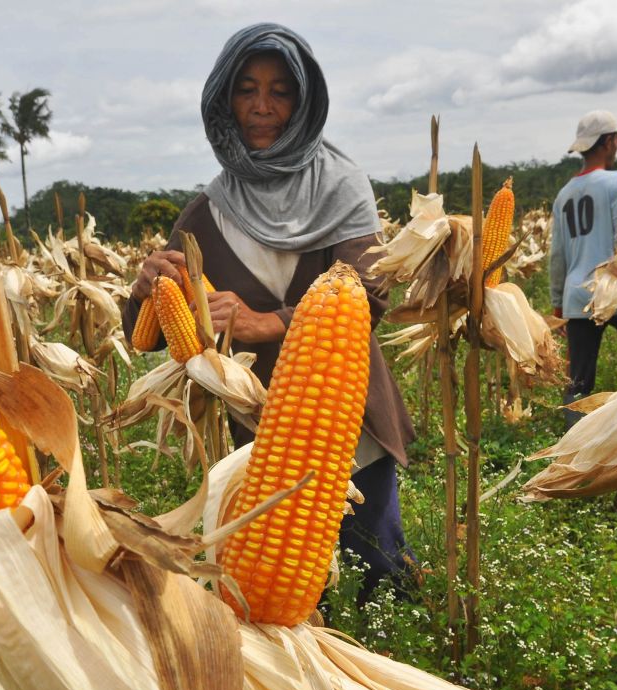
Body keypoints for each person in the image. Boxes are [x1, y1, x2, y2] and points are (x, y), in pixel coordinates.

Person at [121, 22, 416, 599]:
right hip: (259, 429)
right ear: (223, 101)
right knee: (285, 586)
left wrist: (270, 322)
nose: (262, 107)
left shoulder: (342, 185)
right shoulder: (208, 211)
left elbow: (369, 289)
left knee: (376, 568)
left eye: (280, 91)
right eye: (247, 90)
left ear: (304, 101)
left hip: (343, 417)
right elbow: (151, 336)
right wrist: (145, 288)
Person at [548, 109, 617, 426]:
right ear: (608, 142)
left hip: (576, 295)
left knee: (578, 380)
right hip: (613, 290)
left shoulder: (563, 194)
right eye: (616, 139)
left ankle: (575, 439)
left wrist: (558, 303)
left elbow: (557, 255)